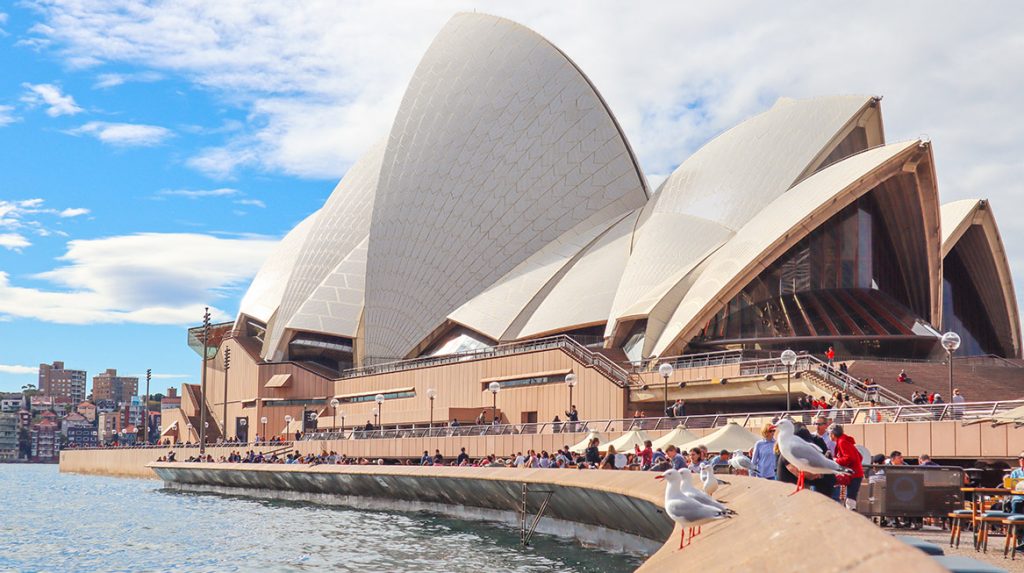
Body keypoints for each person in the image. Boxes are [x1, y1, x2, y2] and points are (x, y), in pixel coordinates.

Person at [830, 424, 863, 508]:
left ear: (833, 434)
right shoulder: (845, 441)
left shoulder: (842, 442)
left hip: (853, 474)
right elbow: (860, 457)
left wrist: (835, 460)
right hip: (856, 473)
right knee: (850, 498)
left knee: (850, 499)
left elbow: (849, 458)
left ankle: (852, 517)